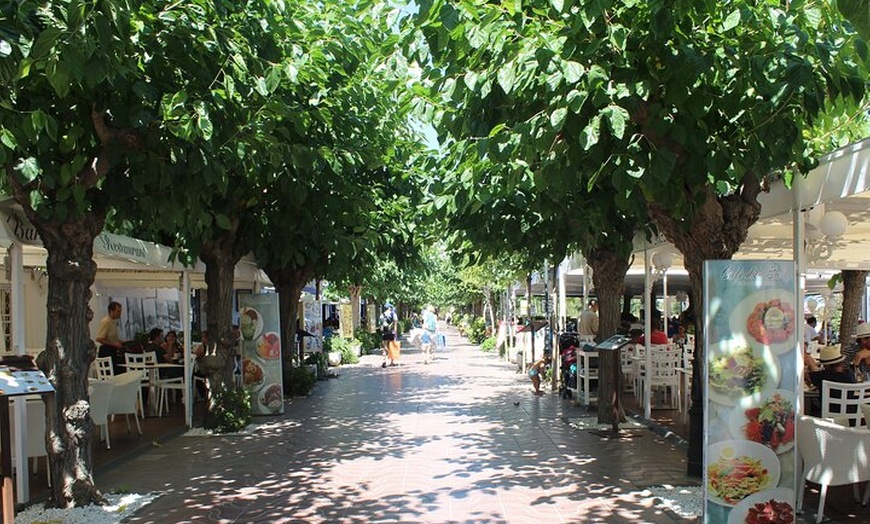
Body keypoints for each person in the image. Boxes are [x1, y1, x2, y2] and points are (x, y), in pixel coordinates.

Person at [805, 344, 857, 416]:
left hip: (829, 416)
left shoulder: (823, 376)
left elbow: (808, 377)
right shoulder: (850, 374)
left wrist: (810, 363)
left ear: (827, 365)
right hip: (851, 415)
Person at [96, 301, 125, 374]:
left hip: (113, 350)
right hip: (107, 351)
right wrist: (114, 344)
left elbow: (111, 337)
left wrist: (120, 342)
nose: (120, 314)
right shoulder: (106, 321)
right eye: (118, 311)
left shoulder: (113, 322)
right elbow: (99, 338)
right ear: (111, 311)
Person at [380, 303, 399, 368]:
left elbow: (381, 325)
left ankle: (384, 360)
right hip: (391, 332)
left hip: (384, 333)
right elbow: (395, 324)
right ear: (390, 307)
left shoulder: (382, 315)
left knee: (385, 346)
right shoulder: (393, 314)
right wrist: (395, 333)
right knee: (392, 346)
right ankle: (392, 362)